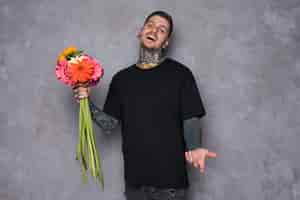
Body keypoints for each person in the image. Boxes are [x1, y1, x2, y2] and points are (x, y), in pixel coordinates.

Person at [73, 10, 217, 200]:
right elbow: (108, 124)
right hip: (135, 186)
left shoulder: (180, 74)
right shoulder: (121, 79)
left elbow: (190, 117)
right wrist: (85, 102)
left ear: (166, 42)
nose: (154, 30)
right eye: (150, 25)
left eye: (162, 29)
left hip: (171, 187)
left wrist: (195, 147)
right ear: (140, 32)